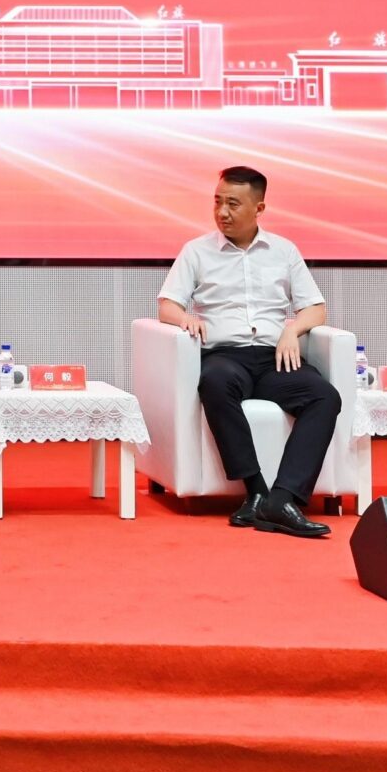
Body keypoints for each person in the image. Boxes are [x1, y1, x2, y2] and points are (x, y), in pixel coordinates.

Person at [157, 165, 338, 539]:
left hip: (274, 357)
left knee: (324, 396)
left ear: (259, 208)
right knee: (215, 381)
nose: (222, 212)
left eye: (233, 204)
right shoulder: (197, 251)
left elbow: (315, 308)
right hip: (225, 356)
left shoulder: (283, 251)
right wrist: (184, 318)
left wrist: (292, 330)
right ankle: (255, 490)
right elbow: (167, 305)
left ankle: (282, 499)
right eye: (217, 202)